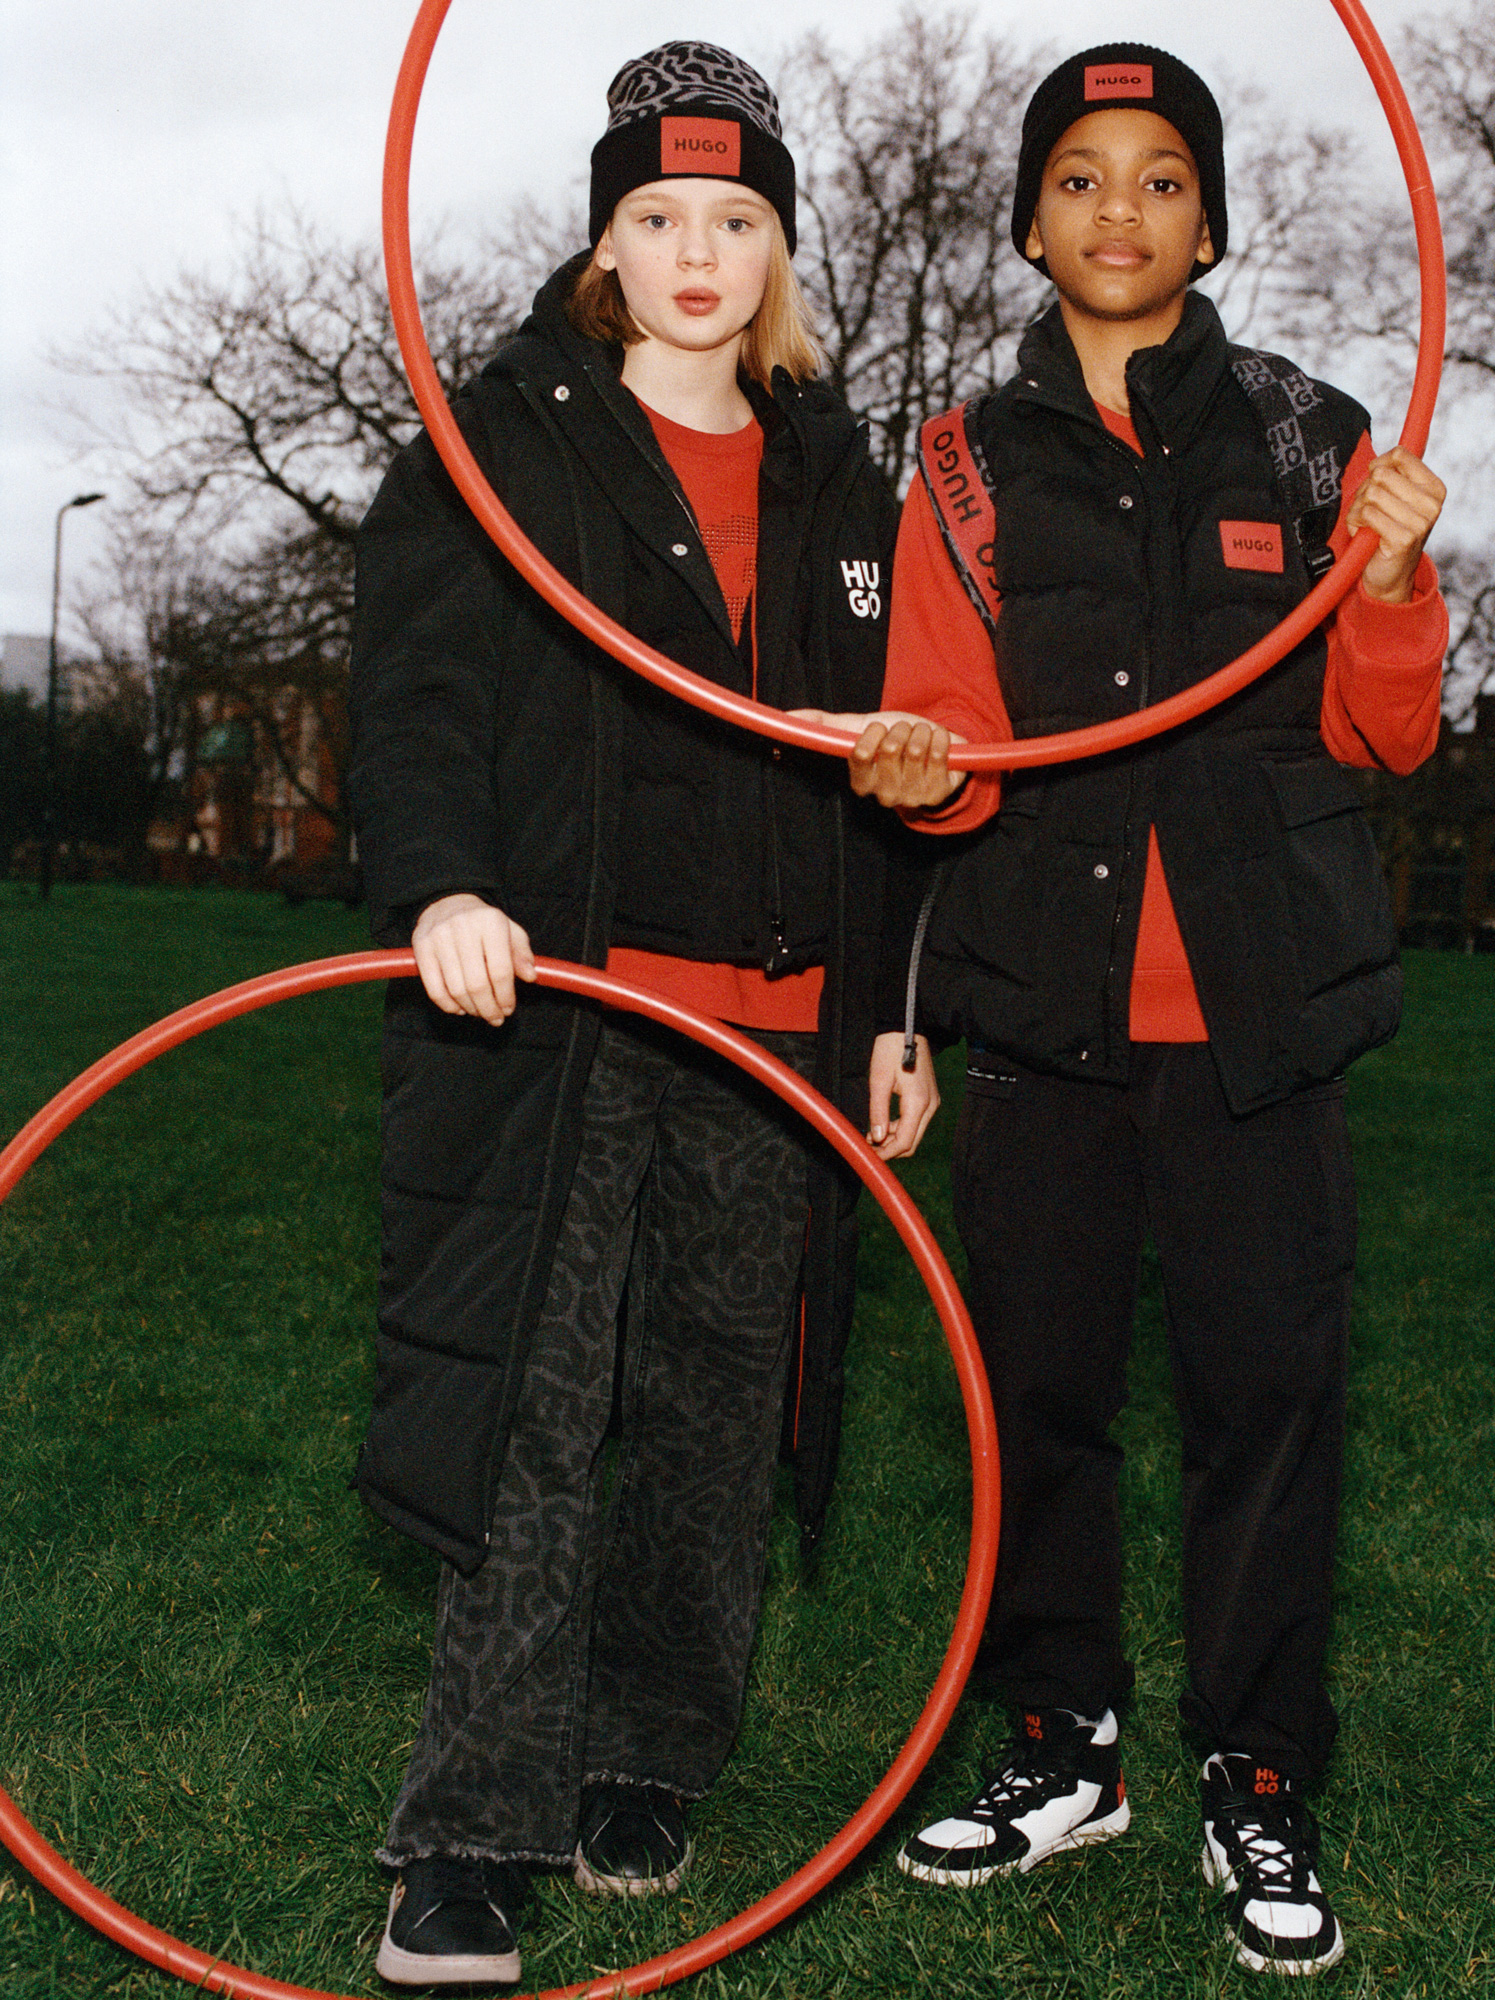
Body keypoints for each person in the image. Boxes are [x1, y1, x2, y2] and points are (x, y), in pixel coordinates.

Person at [831, 45, 1447, 1978]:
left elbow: (1387, 729)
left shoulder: (1315, 436)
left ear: (1213, 216)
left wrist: (1398, 582)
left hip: (1260, 1012)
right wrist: (915, 772)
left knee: (1272, 1399)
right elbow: (958, 753)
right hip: (1043, 1007)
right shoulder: (952, 457)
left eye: (1161, 177)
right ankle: (1057, 1739)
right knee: (1041, 1398)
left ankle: (1259, 1773)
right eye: (1080, 178)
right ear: (1029, 218)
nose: (1120, 211)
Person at [346, 41, 937, 1988]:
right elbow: (419, 697)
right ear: (606, 238)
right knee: (530, 1404)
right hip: (562, 1013)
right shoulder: (497, 441)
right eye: (660, 216)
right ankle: (469, 1828)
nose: (700, 251)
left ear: (781, 245)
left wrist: (897, 1009)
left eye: (738, 218)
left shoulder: (851, 472)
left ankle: (650, 1750)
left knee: (705, 1413)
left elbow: (916, 768)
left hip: (771, 1043)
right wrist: (440, 883)